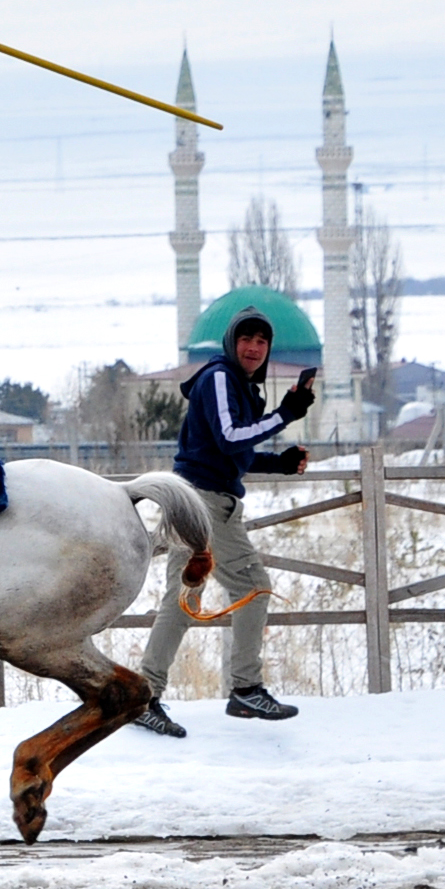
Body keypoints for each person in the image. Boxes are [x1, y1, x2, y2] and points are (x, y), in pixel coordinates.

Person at [134, 306, 315, 734]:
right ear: (231, 343)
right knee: (247, 589)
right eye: (246, 339)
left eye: (262, 341)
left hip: (206, 499)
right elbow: (229, 435)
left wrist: (280, 464)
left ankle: (148, 696)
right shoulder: (219, 377)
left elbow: (230, 451)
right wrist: (286, 412)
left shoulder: (237, 385)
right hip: (203, 502)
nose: (254, 348)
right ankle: (244, 690)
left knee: (187, 599)